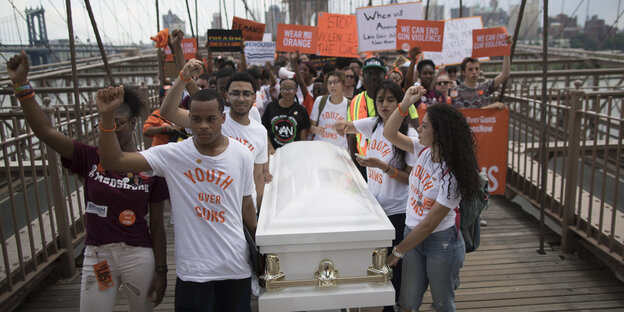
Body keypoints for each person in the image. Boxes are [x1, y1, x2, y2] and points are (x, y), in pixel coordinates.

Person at [6, 51, 169, 311]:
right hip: (98, 256)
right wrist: (21, 85)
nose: (113, 127)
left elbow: (158, 223)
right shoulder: (89, 156)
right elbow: (45, 132)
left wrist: (161, 270)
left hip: (137, 256)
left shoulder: (150, 165)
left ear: (133, 123)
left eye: (119, 122)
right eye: (106, 121)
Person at [96, 77, 257, 311]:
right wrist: (107, 117)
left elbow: (247, 208)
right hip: (193, 271)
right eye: (196, 119)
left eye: (211, 119)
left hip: (235, 265)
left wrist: (261, 247)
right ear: (188, 120)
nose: (203, 125)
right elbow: (113, 160)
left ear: (223, 119)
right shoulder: (173, 155)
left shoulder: (242, 154)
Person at [383, 87, 481, 312]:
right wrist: (405, 103)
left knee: (442, 304)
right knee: (407, 303)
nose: (419, 129)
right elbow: (390, 133)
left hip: (441, 242)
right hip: (412, 235)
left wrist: (397, 253)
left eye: (425, 126)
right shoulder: (423, 150)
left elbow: (429, 224)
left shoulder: (452, 173)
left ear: (440, 133)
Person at [334, 81, 418, 312]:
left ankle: (392, 305)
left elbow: (412, 179)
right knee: (375, 262)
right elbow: (347, 127)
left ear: (401, 103)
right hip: (375, 209)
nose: (384, 104)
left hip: (398, 211)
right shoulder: (374, 125)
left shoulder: (409, 134)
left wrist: (384, 167)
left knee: (394, 265)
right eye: (380, 100)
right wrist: (340, 125)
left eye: (391, 100)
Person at [450, 37, 511, 110]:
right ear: (463, 72)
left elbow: (505, 74)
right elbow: (463, 114)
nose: (474, 72)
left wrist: (507, 49)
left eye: (476, 69)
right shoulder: (456, 91)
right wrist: (489, 107)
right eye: (470, 69)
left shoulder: (485, 87)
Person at [261, 77, 311, 150]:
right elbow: (264, 129)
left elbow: (303, 136)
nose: (287, 92)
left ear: (296, 90)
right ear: (280, 90)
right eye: (284, 89)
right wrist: (270, 147)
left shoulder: (301, 110)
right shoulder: (271, 106)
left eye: (290, 89)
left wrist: (300, 151)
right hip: (274, 152)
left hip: (293, 152)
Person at [309, 71, 349, 150]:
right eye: (329, 83)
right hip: (320, 148)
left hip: (340, 150)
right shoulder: (320, 101)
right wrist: (314, 129)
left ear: (343, 85)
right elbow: (311, 126)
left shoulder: (349, 104)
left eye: (335, 82)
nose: (332, 86)